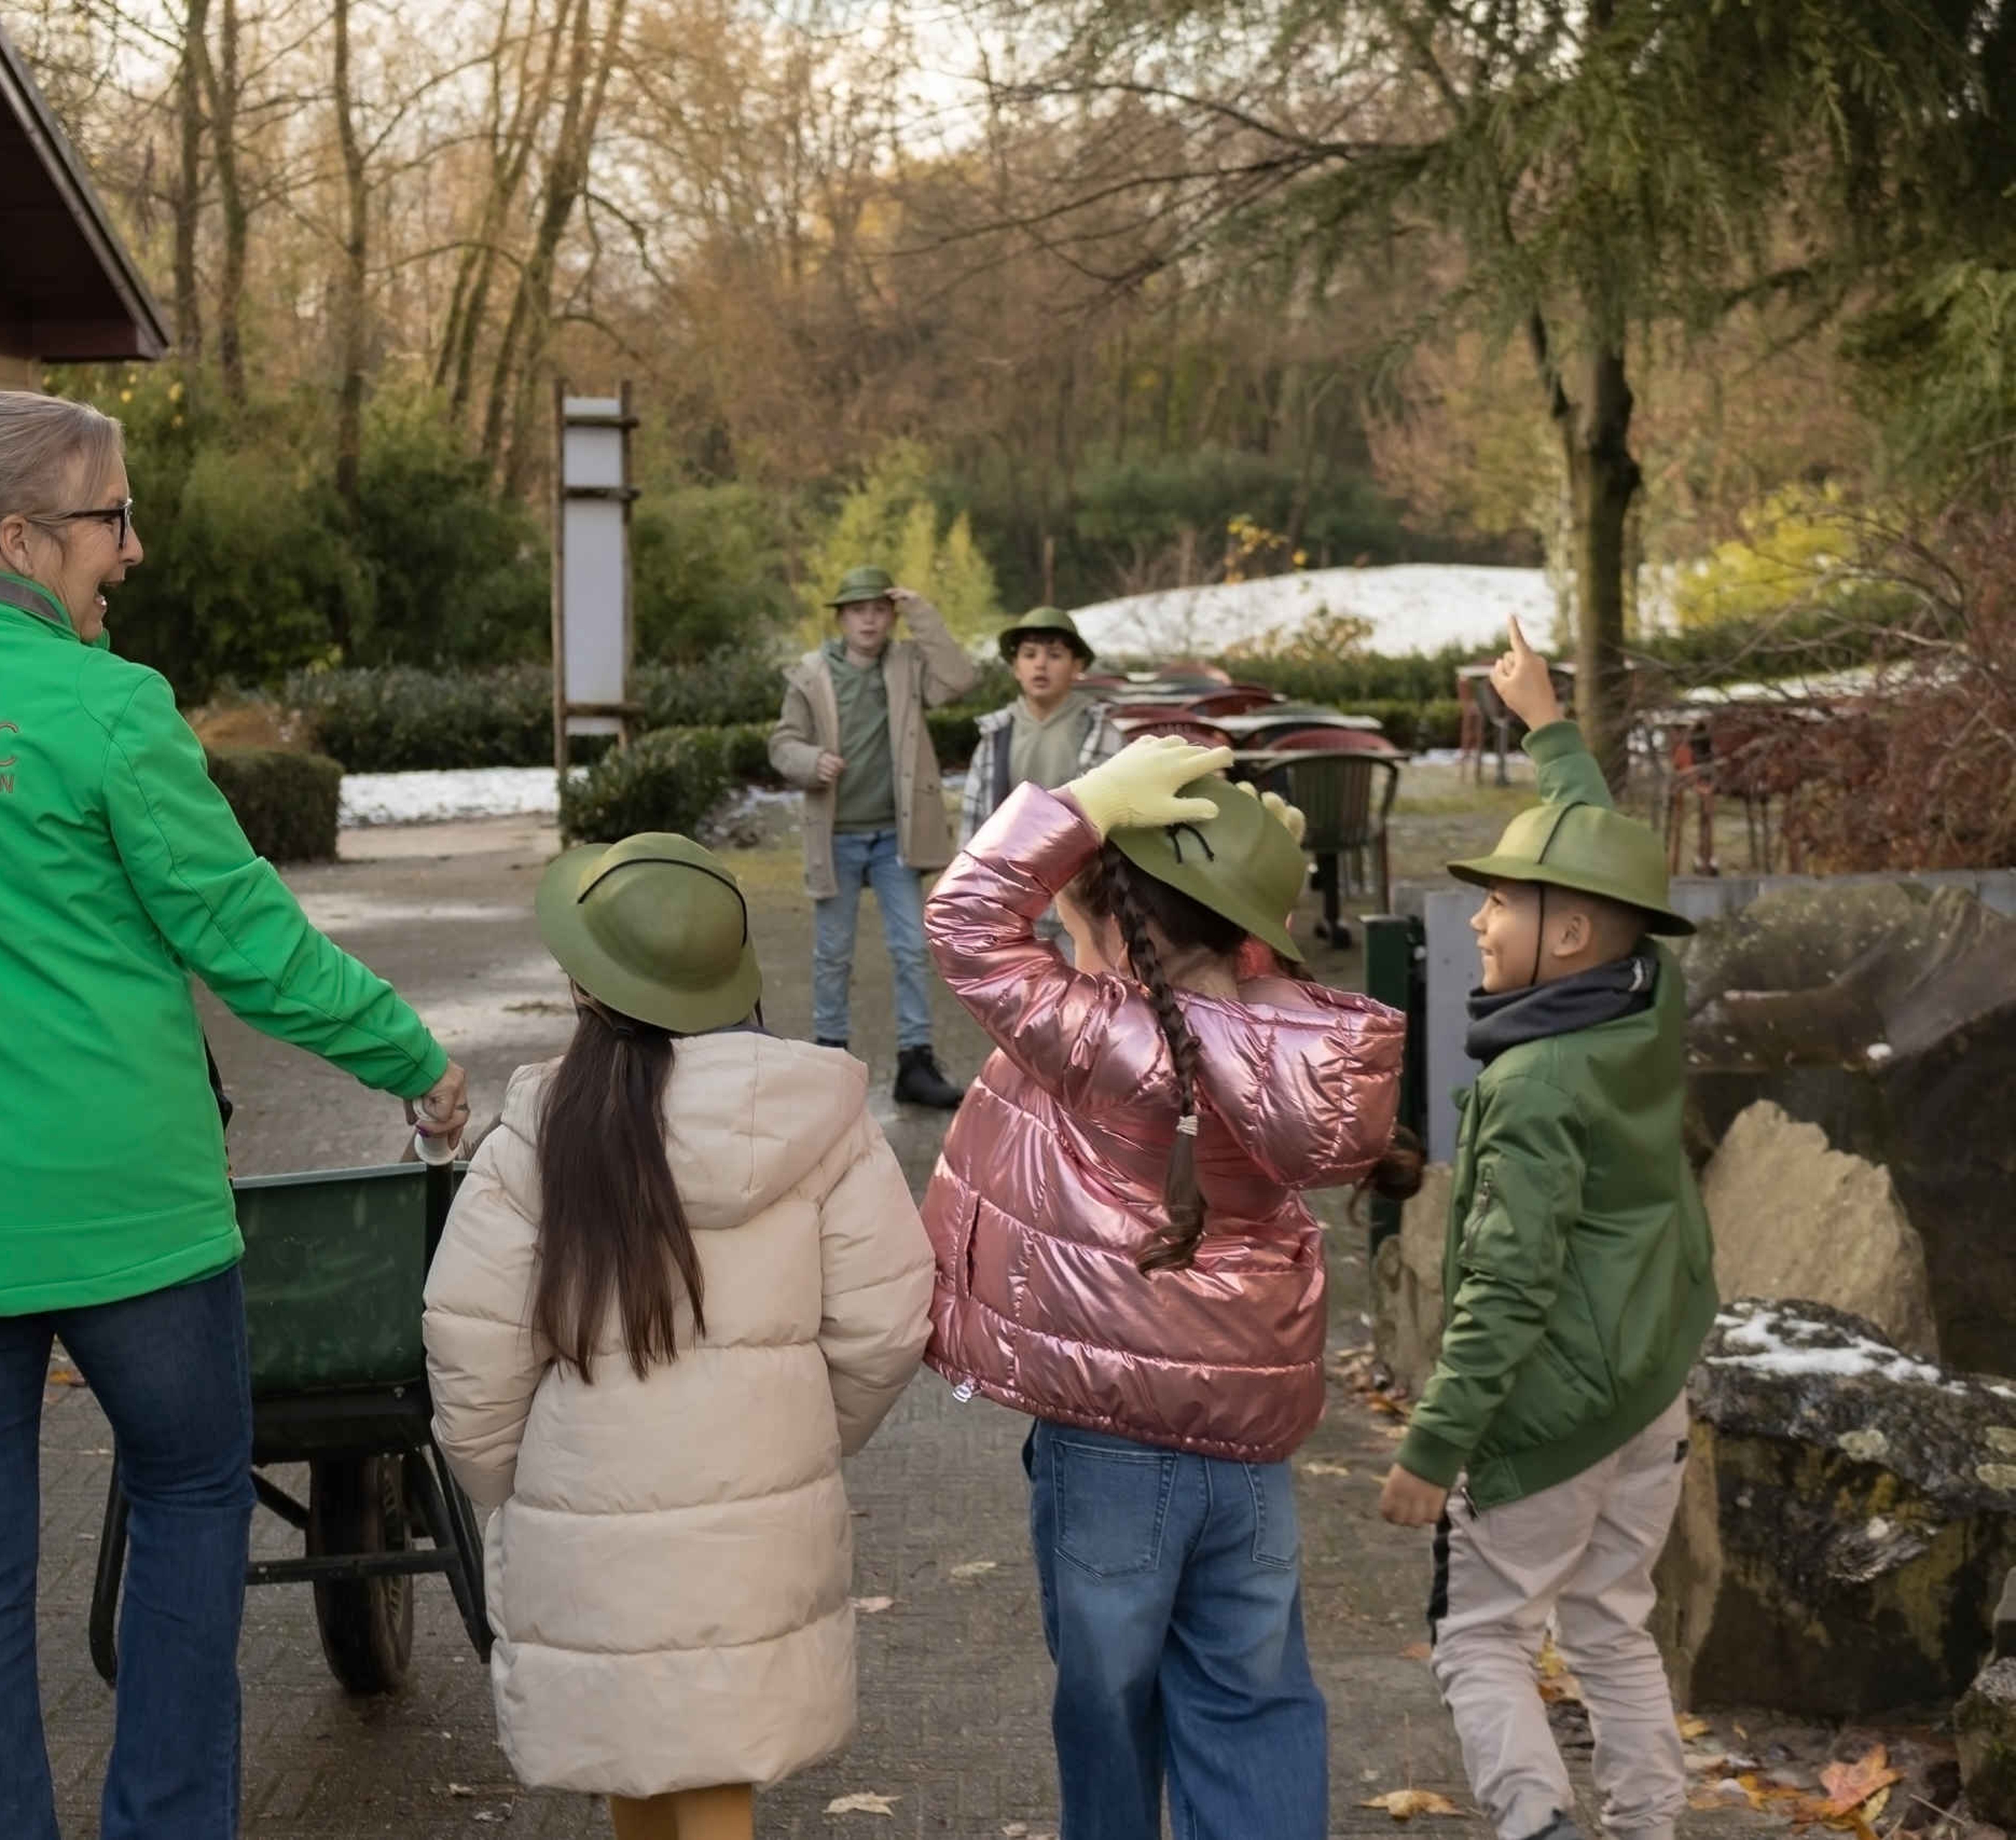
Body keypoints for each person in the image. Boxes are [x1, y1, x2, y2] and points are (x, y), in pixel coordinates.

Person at [0, 389, 471, 1840]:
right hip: (133, 1213)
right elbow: (244, 939)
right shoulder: (106, 710)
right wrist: (408, 1054)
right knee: (193, 1501)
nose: (132, 547)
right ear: (17, 536)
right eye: (110, 519)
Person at [923, 735, 1417, 1840]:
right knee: (1254, 1697)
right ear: (1251, 940)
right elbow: (1233, 972)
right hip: (1247, 1447)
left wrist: (1082, 804)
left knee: (1107, 1702)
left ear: (1112, 932)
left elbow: (963, 921)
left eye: (1073, 920)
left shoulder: (1103, 1038)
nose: (1055, 933)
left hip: (1109, 1445)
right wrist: (1252, 874)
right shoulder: (1290, 1048)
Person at [423, 832, 934, 1840]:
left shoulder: (539, 1134)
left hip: (584, 1511)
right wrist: (797, 1438)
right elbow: (887, 1321)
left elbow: (471, 1350)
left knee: (638, 1745)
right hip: (757, 1515)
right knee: (714, 1763)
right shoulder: (823, 1121)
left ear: (586, 987)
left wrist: (512, 1488)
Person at [1378, 619, 1717, 1840]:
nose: (1475, 924)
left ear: (1566, 936)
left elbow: (1506, 1292)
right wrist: (1550, 731)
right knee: (1612, 1625)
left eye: (1498, 907)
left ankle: (1536, 1824)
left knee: (1480, 1636)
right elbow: (1612, 868)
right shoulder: (1646, 1009)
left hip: (1550, 1411)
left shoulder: (1530, 1088)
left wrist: (1433, 1446)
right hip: (1649, 1389)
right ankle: (1647, 1826)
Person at [768, 564, 979, 1109]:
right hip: (835, 835)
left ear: (892, 615)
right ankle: (829, 1059)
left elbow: (959, 679)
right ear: (841, 617)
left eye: (880, 609)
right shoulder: (811, 674)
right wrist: (810, 761)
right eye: (858, 609)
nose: (869, 618)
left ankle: (915, 1062)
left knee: (911, 948)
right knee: (833, 953)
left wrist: (922, 612)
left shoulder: (908, 665)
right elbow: (782, 744)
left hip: (897, 837)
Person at [958, 610, 1119, 847]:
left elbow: (1117, 816)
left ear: (1077, 666)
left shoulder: (1102, 734)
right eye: (1029, 655)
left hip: (1080, 871)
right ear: (1016, 668)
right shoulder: (996, 734)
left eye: (1055, 656)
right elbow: (974, 816)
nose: (1040, 665)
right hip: (1007, 868)